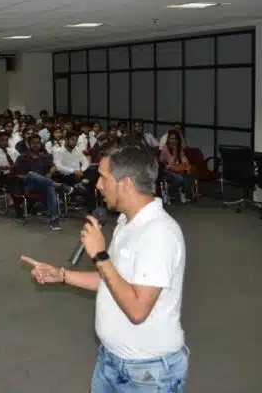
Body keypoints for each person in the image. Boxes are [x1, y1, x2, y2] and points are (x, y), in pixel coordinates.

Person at [21, 144, 188, 392]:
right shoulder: (127, 222)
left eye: (103, 177)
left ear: (126, 184)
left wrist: (100, 255)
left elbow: (137, 310)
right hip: (111, 361)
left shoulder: (158, 233)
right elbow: (112, 281)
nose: (98, 185)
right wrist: (63, 275)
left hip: (147, 372)